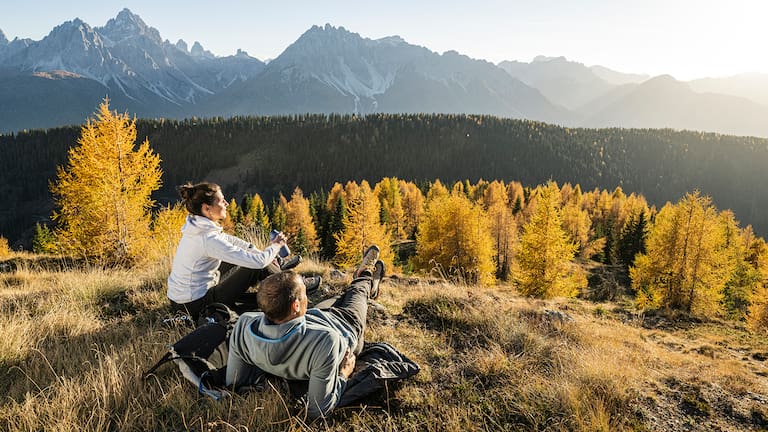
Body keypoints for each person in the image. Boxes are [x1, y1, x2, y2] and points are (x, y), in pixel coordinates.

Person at [226, 245, 385, 419]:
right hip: (347, 324)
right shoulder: (325, 342)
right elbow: (318, 410)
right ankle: (365, 276)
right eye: (304, 295)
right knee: (357, 293)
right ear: (295, 305)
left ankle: (367, 287)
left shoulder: (244, 324)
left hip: (315, 317)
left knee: (336, 298)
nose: (306, 298)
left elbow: (234, 382)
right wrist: (343, 375)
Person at [167, 181, 312, 320]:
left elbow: (232, 242)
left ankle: (281, 272)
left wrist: (258, 251)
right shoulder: (208, 239)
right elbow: (258, 262)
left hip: (181, 300)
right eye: (221, 201)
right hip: (193, 305)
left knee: (251, 260)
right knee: (254, 267)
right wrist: (276, 246)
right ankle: (294, 287)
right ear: (207, 208)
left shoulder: (198, 227)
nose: (227, 203)